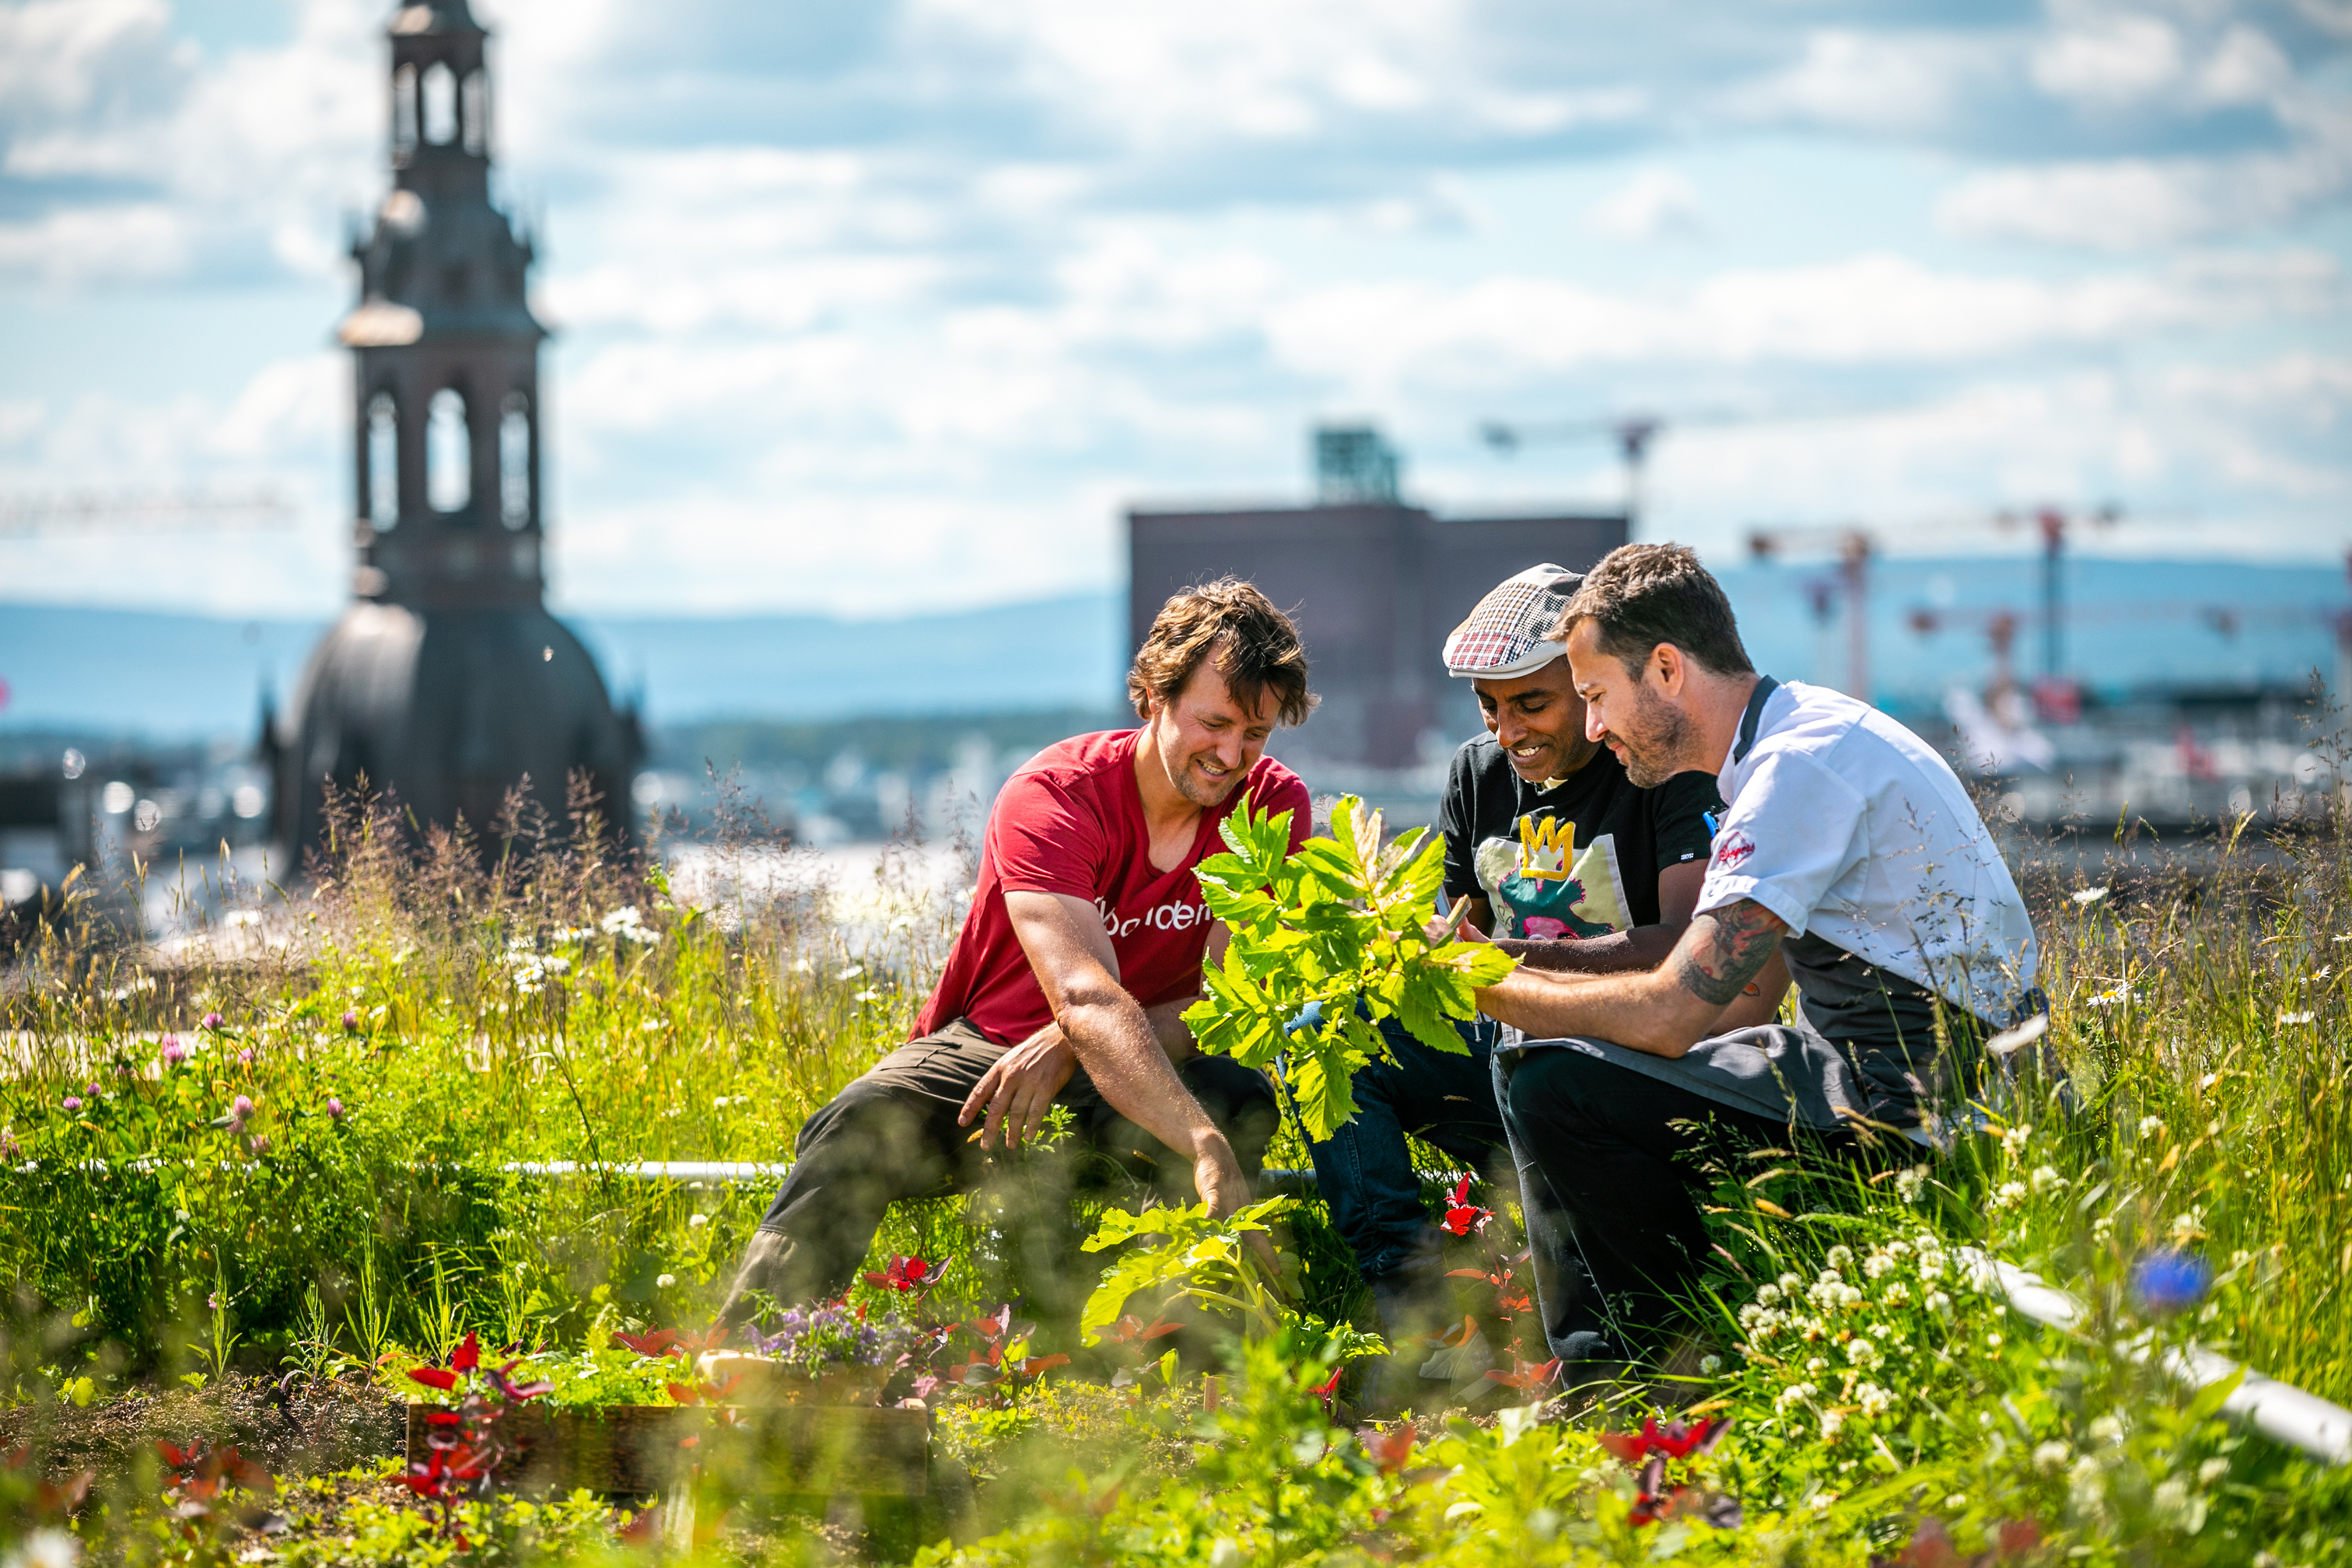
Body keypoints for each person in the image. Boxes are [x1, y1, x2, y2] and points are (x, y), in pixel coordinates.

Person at [1475, 543, 2041, 1359]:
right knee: (1558, 1054)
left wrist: (1487, 983)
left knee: (1551, 1080)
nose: (1594, 726)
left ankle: (1672, 1367)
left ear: (1666, 669)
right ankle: (1659, 1350)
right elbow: (1735, 999)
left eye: (1596, 695)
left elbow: (1676, 1013)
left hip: (1918, 1100)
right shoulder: (1803, 731)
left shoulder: (1793, 771)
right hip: (1912, 1068)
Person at [719, 578, 1315, 1324]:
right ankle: (751, 1356)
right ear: (1154, 698)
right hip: (993, 1049)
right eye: (1215, 723)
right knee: (861, 1120)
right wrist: (1200, 1143)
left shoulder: (1271, 803)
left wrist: (1073, 1047)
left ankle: (1169, 1361)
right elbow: (1085, 994)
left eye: (1255, 734)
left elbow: (1228, 1002)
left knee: (1237, 1097)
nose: (1232, 755)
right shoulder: (1055, 796)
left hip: (1141, 1055)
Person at [1301, 563, 1784, 1394]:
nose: (1507, 730)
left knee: (1534, 1054)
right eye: (1489, 707)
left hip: (1624, 1057)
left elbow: (1678, 943)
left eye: (1533, 703)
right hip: (1506, 1042)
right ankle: (1411, 1307)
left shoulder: (1659, 764)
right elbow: (1467, 939)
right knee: (1324, 1033)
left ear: (1589, 688)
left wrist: (1504, 965)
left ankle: (1600, 1352)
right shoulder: (1474, 775)